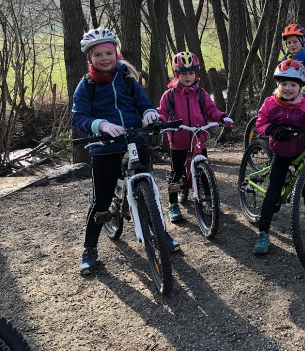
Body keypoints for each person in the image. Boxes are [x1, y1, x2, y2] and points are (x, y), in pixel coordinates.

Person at [72, 28, 180, 276]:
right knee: (101, 200)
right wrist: (101, 125)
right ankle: (89, 249)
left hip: (134, 139)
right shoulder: (86, 85)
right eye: (97, 54)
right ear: (90, 58)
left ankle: (160, 233)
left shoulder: (127, 78)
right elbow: (78, 117)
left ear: (115, 53)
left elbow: (143, 102)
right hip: (104, 146)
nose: (104, 58)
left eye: (108, 53)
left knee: (148, 188)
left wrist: (150, 113)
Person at [252, 59, 305, 255]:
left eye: (293, 85)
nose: (288, 88)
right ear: (277, 85)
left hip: (301, 151)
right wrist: (271, 129)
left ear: (300, 87)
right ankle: (263, 232)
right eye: (284, 84)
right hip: (280, 152)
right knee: (273, 190)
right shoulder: (270, 103)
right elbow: (259, 124)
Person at [157, 51, 233, 223]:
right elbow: (161, 112)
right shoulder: (169, 96)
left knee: (204, 169)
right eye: (184, 73)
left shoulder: (201, 94)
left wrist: (222, 117)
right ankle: (173, 203)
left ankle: (207, 198)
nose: (188, 76)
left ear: (196, 74)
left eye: (191, 73)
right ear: (177, 75)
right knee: (176, 173)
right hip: (178, 140)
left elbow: (211, 110)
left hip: (199, 138)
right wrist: (160, 122)